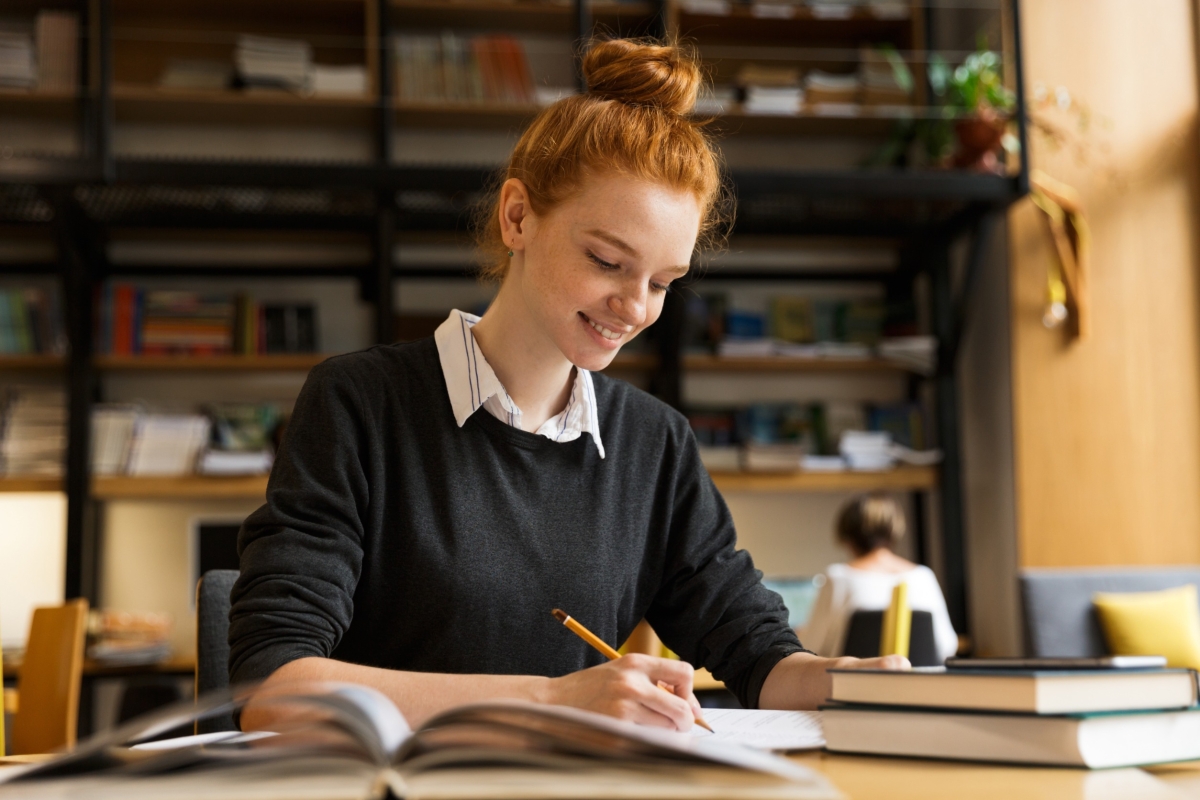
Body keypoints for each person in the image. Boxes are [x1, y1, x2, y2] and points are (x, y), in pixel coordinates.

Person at [228, 38, 907, 734]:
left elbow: (761, 658)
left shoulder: (653, 443)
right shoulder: (360, 405)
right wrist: (554, 699)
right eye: (609, 261)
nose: (636, 307)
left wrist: (844, 679)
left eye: (663, 283)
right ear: (517, 216)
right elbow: (272, 687)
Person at [800, 494, 958, 663]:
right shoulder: (923, 576)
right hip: (919, 687)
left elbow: (811, 647)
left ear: (847, 536)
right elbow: (947, 646)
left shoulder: (838, 577)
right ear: (894, 531)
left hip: (851, 687)